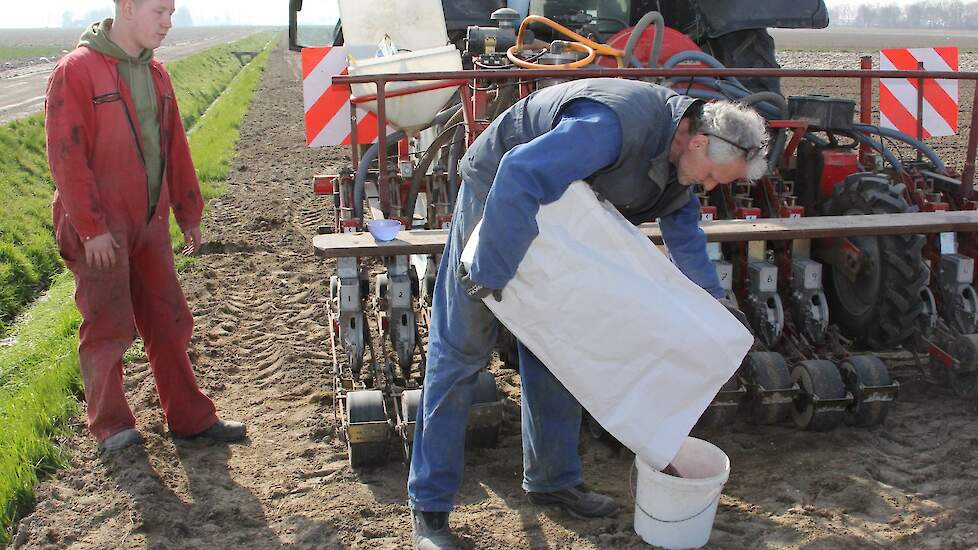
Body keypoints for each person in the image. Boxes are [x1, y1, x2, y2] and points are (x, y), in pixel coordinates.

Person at [408, 77, 768, 550]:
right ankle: (430, 512)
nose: (709, 186)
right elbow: (520, 171)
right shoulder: (614, 124)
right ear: (698, 140)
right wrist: (490, 270)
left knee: (561, 348)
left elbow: (684, 231)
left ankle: (552, 481)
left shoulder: (683, 161)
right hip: (500, 195)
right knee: (462, 352)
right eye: (712, 176)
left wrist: (716, 310)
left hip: (567, 211)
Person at [44, 0, 246, 453]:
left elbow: (175, 148)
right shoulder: (77, 71)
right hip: (100, 228)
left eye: (172, 12)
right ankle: (112, 426)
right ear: (129, 8)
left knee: (169, 318)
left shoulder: (156, 75)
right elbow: (66, 155)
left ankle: (190, 417)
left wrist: (188, 213)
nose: (168, 23)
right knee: (106, 325)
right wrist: (92, 228)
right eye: (160, 12)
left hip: (149, 222)